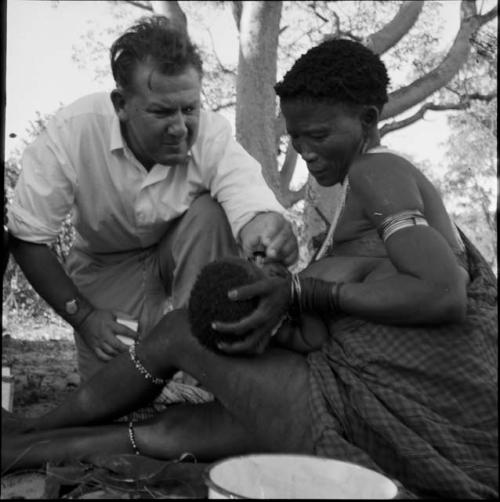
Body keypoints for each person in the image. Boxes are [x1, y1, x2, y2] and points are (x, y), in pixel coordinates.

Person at [2, 38, 497, 499]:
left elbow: (444, 293)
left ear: (367, 120)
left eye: (319, 134)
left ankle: (31, 432)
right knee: (172, 430)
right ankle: (25, 441)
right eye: (296, 137)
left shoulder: (377, 171)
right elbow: (364, 310)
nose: (304, 150)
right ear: (122, 106)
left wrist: (301, 289)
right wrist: (290, 305)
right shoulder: (72, 132)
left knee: (178, 340)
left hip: (371, 403)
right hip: (363, 394)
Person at [6, 16, 297, 383]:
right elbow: (28, 239)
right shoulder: (70, 133)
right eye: (161, 111)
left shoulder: (212, 136)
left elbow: (251, 206)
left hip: (178, 250)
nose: (179, 128)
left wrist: (268, 230)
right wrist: (83, 316)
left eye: (189, 109)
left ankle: (203, 357)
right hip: (104, 264)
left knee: (210, 213)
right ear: (121, 104)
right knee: (115, 395)